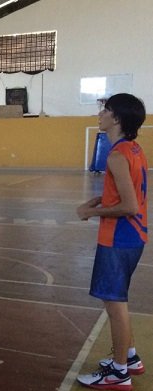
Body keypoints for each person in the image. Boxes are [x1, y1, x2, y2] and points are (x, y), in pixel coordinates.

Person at [76, 93, 148, 390]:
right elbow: (126, 193)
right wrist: (99, 199)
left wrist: (92, 212)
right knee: (118, 302)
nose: (100, 113)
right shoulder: (133, 149)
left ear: (116, 118)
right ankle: (129, 357)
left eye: (105, 110)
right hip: (134, 236)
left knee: (115, 305)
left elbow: (129, 206)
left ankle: (119, 373)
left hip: (119, 238)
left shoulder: (116, 156)